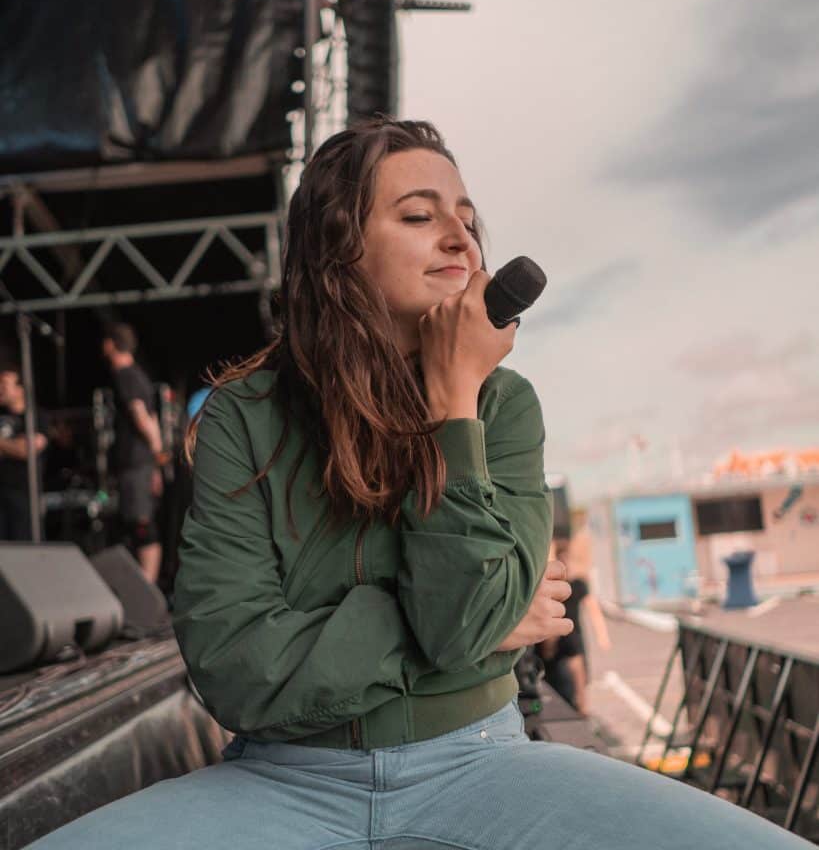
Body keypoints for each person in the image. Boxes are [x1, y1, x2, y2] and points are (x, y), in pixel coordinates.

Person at [31, 119, 809, 849]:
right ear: (338, 249)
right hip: (280, 779)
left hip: (484, 762)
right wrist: (449, 623)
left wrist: (452, 405)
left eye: (466, 219)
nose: (459, 238)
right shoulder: (245, 414)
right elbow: (235, 669)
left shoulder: (501, 404)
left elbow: (466, 618)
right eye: (416, 215)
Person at [101, 323, 164, 583]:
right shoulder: (139, 374)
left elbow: (142, 417)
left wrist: (157, 452)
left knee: (142, 526)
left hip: (135, 463)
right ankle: (144, 588)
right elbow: (152, 418)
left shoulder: (126, 375)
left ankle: (147, 590)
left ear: (111, 345)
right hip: (141, 463)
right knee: (134, 525)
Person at [538, 535, 611, 716]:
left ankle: (581, 708)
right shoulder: (553, 585)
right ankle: (575, 709)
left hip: (573, 636)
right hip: (555, 636)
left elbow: (593, 610)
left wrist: (602, 635)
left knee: (579, 679)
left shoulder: (578, 585)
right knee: (555, 681)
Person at [0, 359, 48, 541]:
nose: (0, 389)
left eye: (5, 384)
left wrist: (4, 445)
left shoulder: (37, 417)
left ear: (20, 388)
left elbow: (26, 449)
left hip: (24, 496)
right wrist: (12, 445)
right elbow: (19, 447)